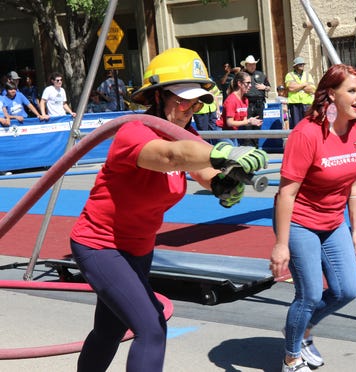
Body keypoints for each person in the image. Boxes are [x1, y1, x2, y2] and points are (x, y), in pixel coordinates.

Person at [69, 47, 268, 371]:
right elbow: (172, 157)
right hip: (100, 244)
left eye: (197, 100)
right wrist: (225, 153)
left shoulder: (185, 133)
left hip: (138, 249)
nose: (191, 107)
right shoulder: (134, 132)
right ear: (158, 96)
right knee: (152, 327)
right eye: (182, 98)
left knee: (109, 329)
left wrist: (224, 183)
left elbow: (200, 169)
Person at [270, 64, 356, 372]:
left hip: (334, 220)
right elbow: (286, 193)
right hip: (300, 221)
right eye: (351, 91)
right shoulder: (307, 134)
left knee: (346, 290)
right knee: (310, 293)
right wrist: (281, 245)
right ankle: (291, 357)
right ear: (330, 95)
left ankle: (302, 331)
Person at [220, 71, 263, 145]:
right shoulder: (231, 100)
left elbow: (244, 120)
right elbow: (229, 123)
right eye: (248, 83)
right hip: (222, 132)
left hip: (233, 132)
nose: (250, 86)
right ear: (239, 84)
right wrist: (248, 121)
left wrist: (252, 121)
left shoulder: (245, 99)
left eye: (251, 83)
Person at [241, 54, 270, 147]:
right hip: (247, 103)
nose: (252, 66)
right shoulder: (241, 75)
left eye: (253, 64)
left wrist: (264, 87)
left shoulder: (261, 74)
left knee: (258, 125)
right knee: (247, 126)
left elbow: (269, 87)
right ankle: (248, 148)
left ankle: (256, 147)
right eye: (250, 64)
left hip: (259, 104)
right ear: (246, 65)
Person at [285, 57, 315, 128]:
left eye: (303, 64)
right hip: (295, 104)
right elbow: (291, 88)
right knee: (297, 126)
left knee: (308, 125)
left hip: (307, 104)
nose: (302, 65)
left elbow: (312, 89)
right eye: (300, 64)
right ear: (295, 66)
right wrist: (304, 84)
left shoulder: (308, 75)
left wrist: (297, 86)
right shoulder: (289, 75)